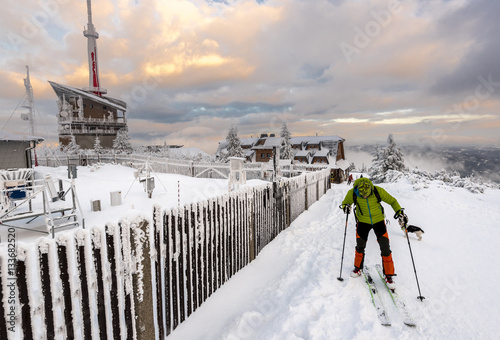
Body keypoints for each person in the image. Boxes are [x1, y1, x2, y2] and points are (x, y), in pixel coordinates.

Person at [341, 177, 408, 289]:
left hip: (378, 222)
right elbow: (345, 203)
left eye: (367, 195)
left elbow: (392, 201)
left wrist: (399, 212)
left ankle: (388, 275)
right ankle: (358, 268)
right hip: (362, 222)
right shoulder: (353, 193)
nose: (365, 196)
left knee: (385, 247)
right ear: (358, 192)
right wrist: (346, 208)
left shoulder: (377, 190)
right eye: (363, 196)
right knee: (360, 246)